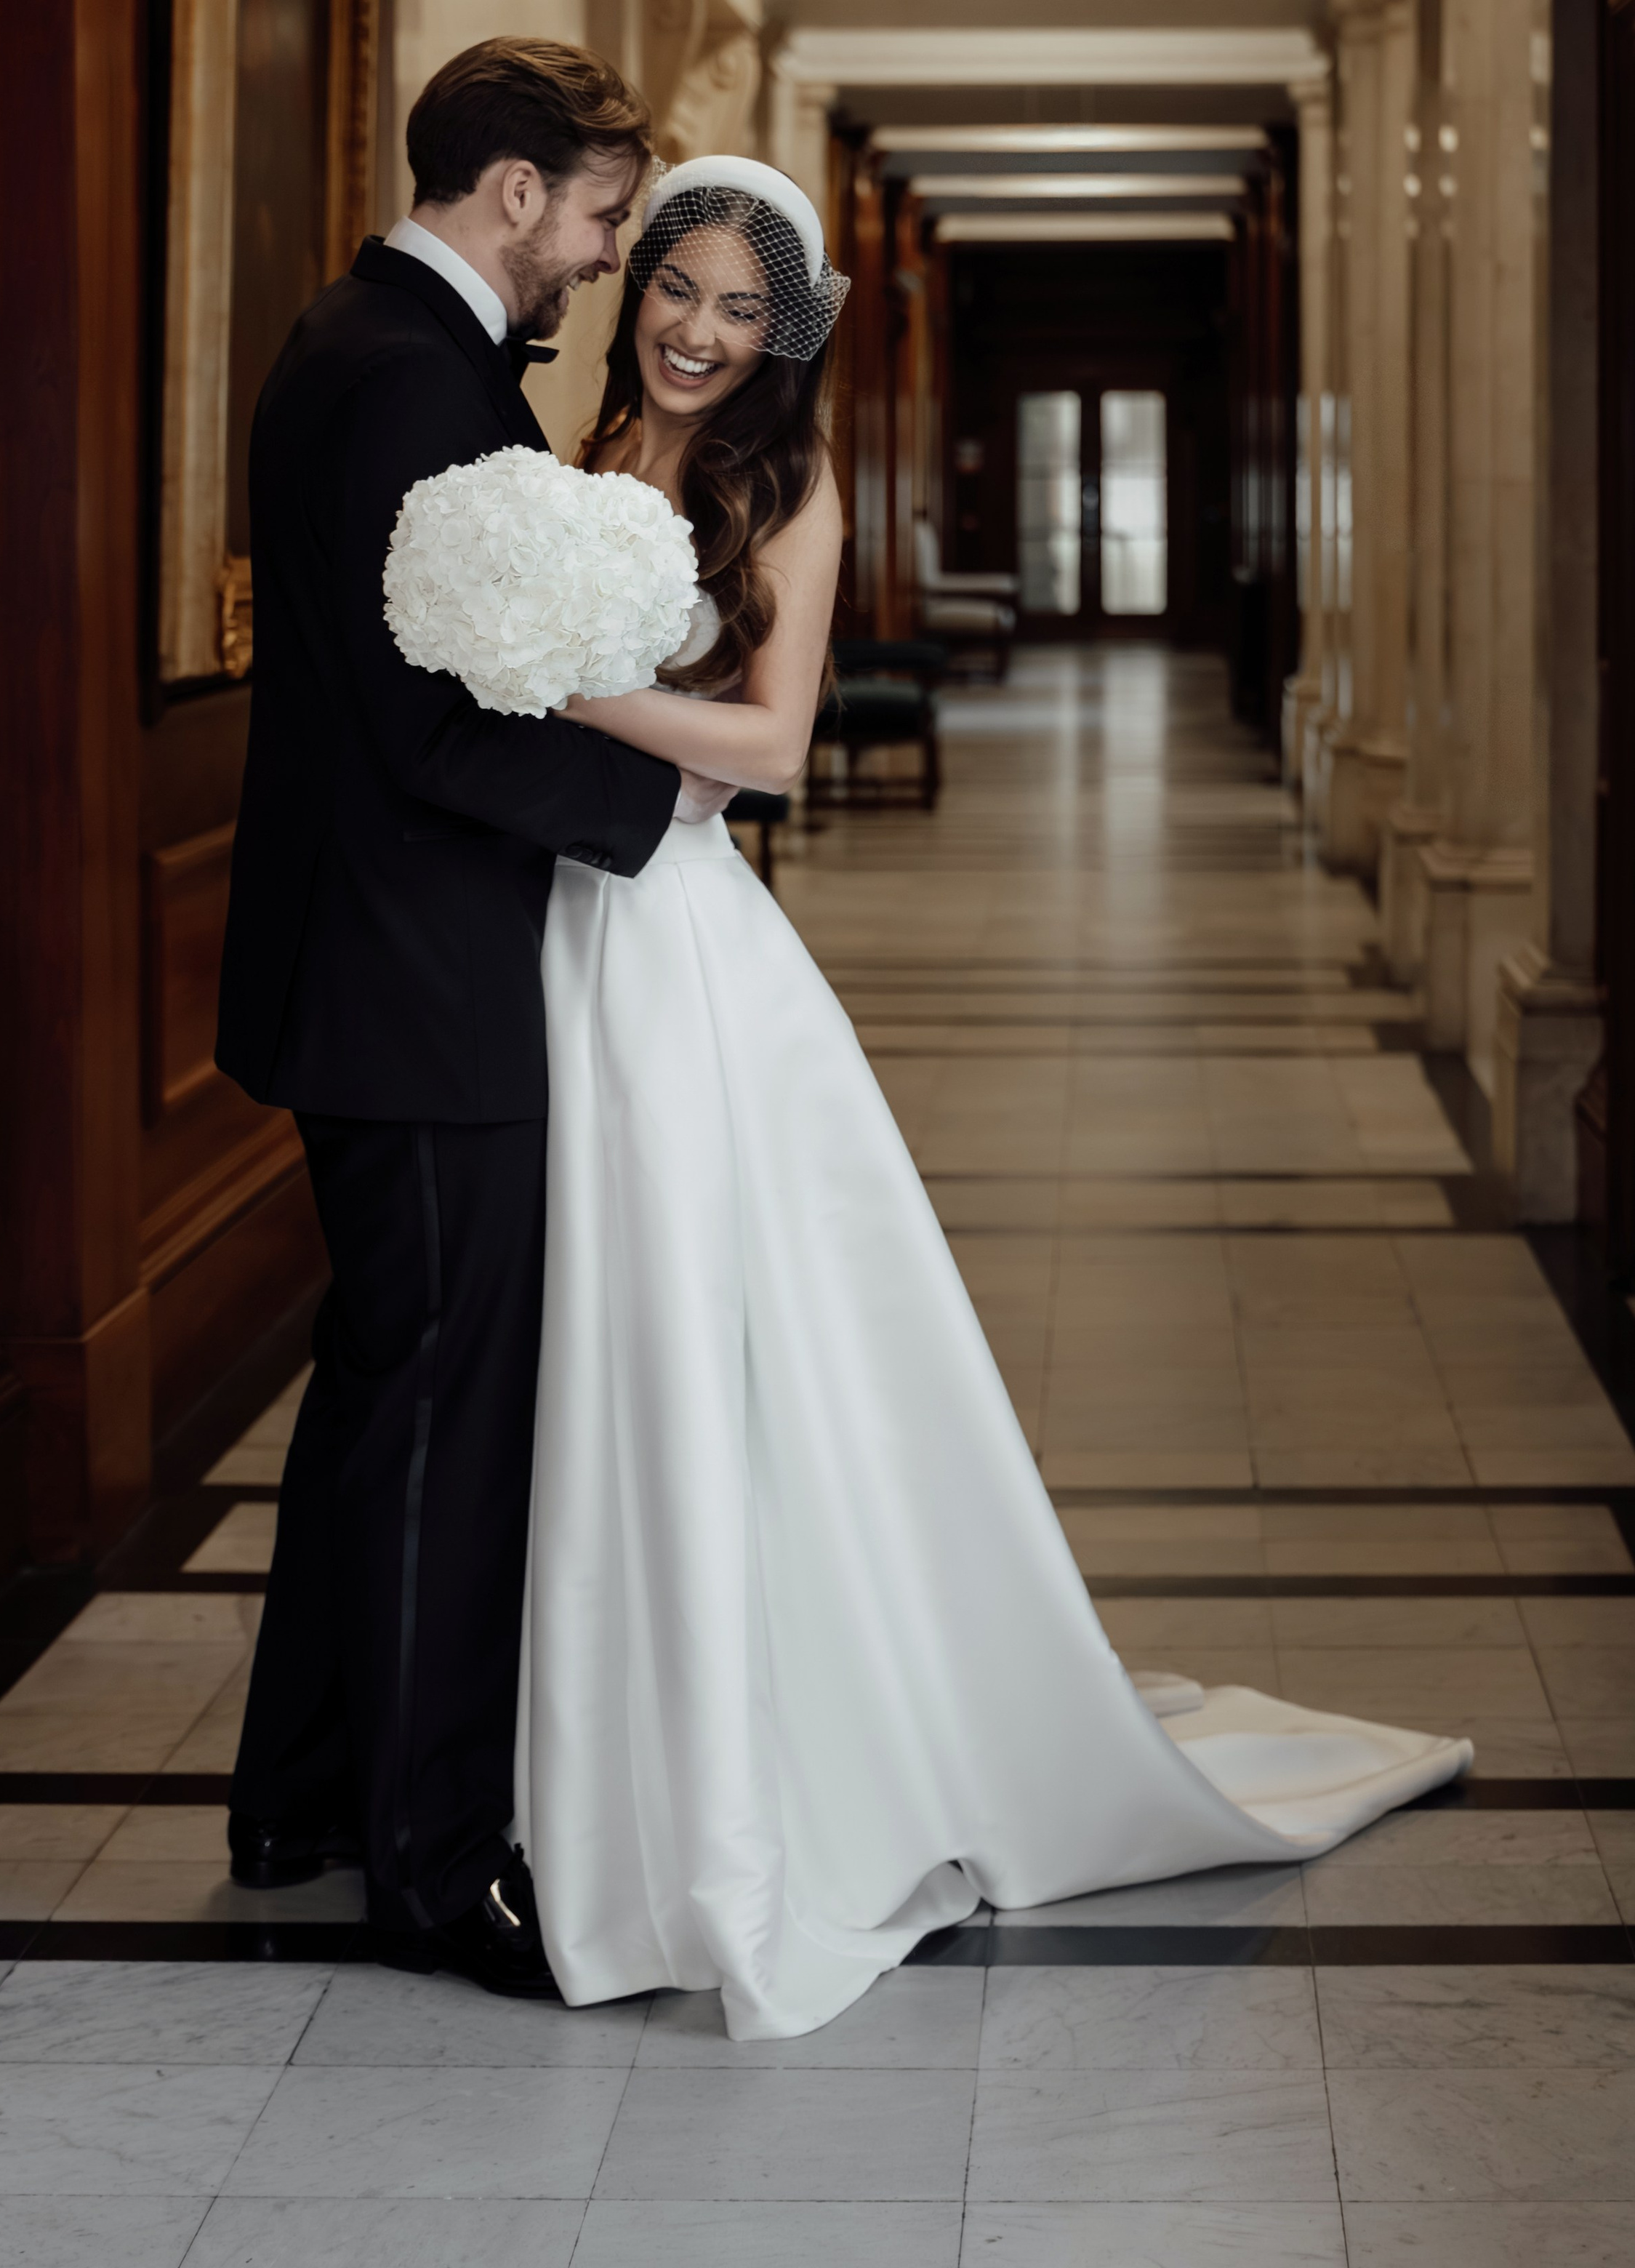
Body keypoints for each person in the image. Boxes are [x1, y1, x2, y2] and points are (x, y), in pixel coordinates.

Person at [515, 154, 1471, 2041]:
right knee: (590, 1341)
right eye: (678, 292)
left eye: (741, 311)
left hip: (686, 950)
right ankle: (589, 1766)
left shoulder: (786, 484)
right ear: (638, 296)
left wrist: (557, 688)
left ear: (788, 337)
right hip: (545, 931)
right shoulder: (569, 459)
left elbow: (768, 749)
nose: (700, 333)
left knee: (716, 1330)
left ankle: (755, 1776)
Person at [215, 40, 729, 1995]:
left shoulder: (360, 344)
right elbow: (428, 724)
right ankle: (432, 1872)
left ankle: (302, 1799)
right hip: (413, 987)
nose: (605, 260)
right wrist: (649, 804)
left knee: (377, 1395)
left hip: (366, 970)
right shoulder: (408, 382)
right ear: (515, 192)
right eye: (604, 218)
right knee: (439, 1415)